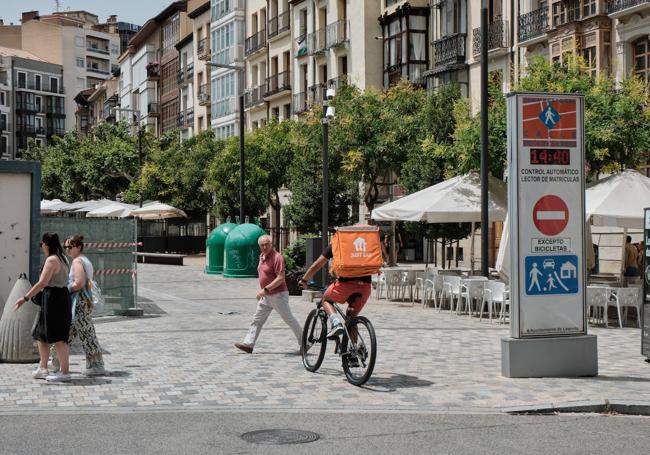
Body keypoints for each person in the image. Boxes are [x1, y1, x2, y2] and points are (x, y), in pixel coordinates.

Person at [13, 232, 72, 382]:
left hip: (54, 300)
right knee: (41, 334)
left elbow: (42, 283)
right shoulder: (63, 257)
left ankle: (65, 373)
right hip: (59, 297)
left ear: (46, 245)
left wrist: (25, 298)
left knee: (58, 337)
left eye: (41, 245)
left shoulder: (52, 260)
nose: (41, 247)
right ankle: (43, 367)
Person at [234, 235, 302, 354]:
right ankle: (248, 344)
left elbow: (281, 278)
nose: (265, 247)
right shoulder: (262, 257)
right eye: (262, 245)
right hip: (267, 296)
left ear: (271, 244)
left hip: (278, 295)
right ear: (259, 246)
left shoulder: (277, 257)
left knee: (289, 319)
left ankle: (305, 343)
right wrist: (265, 292)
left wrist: (264, 290)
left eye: (267, 244)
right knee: (257, 320)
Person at [50, 235, 105, 376]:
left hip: (78, 302)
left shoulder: (77, 262)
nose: (67, 249)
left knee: (80, 333)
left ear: (78, 247)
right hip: (83, 302)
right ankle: (55, 360)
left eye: (70, 246)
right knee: (76, 332)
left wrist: (66, 289)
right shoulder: (85, 260)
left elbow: (79, 283)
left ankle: (95, 365)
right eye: (66, 247)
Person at [299, 242, 372, 338]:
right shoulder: (366, 243)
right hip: (365, 287)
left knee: (326, 299)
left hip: (345, 285)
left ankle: (336, 323)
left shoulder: (339, 242)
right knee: (351, 319)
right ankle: (355, 350)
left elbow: (316, 265)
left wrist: (304, 280)